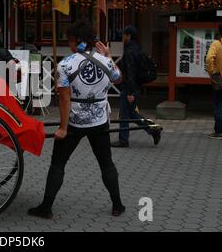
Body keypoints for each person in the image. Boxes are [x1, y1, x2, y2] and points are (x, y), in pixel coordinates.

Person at [28, 20, 126, 219]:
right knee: (106, 163)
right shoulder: (106, 61)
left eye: (70, 41)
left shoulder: (65, 64)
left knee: (58, 164)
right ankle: (117, 205)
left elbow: (64, 99)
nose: (69, 44)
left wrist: (63, 128)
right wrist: (108, 56)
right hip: (99, 121)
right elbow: (118, 78)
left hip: (74, 122)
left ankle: (46, 207)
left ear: (77, 41)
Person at [111, 25, 161, 148]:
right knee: (132, 114)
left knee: (124, 115)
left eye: (124, 34)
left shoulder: (129, 52)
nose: (122, 37)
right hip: (136, 87)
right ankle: (153, 130)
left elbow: (130, 73)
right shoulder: (137, 49)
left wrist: (130, 93)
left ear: (129, 36)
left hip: (129, 88)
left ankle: (123, 140)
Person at [205, 24, 222, 139]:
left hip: (219, 78)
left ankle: (219, 131)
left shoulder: (217, 44)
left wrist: (212, 72)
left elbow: (209, 58)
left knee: (219, 104)